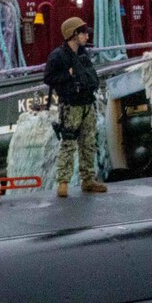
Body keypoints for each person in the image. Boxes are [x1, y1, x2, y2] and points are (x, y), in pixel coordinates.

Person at [43, 16, 106, 198]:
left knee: (88, 143)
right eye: (83, 33)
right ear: (73, 35)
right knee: (68, 143)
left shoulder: (83, 53)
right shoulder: (58, 56)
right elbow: (48, 78)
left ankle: (88, 179)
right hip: (71, 105)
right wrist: (67, 75)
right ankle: (63, 182)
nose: (86, 36)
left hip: (87, 103)